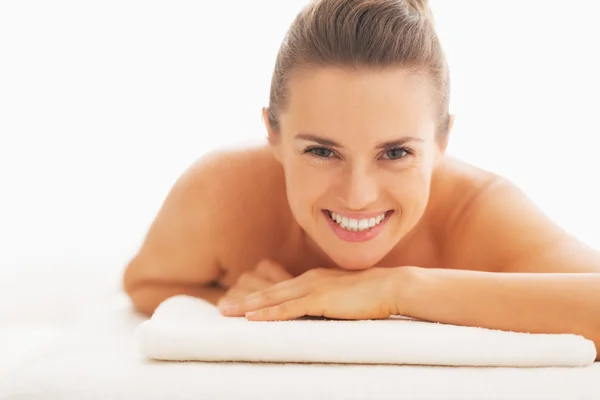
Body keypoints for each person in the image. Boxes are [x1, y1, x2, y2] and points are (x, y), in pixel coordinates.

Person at [123, 0, 600, 359]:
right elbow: (145, 283)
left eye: (395, 153)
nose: (358, 196)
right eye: (321, 151)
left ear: (442, 141)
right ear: (272, 131)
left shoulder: (478, 210)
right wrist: (253, 301)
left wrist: (396, 290)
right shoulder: (221, 190)